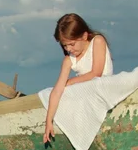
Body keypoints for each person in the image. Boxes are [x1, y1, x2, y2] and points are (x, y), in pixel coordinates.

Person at [43, 13, 113, 143]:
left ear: (84, 36)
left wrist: (70, 82)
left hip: (102, 86)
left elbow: (96, 73)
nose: (69, 49)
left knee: (71, 89)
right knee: (49, 93)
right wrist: (48, 121)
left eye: (72, 44)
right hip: (85, 90)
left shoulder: (97, 41)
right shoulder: (69, 60)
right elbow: (57, 90)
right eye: (65, 45)